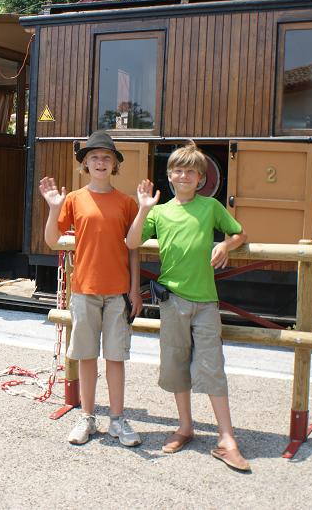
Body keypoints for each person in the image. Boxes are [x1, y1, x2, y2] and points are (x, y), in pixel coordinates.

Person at [125, 140, 250, 472]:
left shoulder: (210, 207)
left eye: (190, 172)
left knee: (212, 365)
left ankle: (227, 438)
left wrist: (226, 244)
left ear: (201, 178)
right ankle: (185, 427)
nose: (183, 176)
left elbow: (239, 233)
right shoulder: (161, 211)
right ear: (169, 176)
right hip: (172, 301)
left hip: (206, 302)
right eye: (177, 171)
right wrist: (143, 208)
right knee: (176, 363)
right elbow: (132, 241)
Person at [39, 130, 142, 447]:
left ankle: (116, 419)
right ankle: (86, 418)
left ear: (114, 165)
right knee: (86, 356)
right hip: (84, 290)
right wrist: (54, 207)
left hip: (118, 292)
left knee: (115, 357)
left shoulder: (126, 203)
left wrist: (136, 289)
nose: (100, 162)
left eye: (106, 157)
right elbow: (53, 240)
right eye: (94, 157)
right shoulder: (73, 199)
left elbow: (133, 249)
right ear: (85, 164)